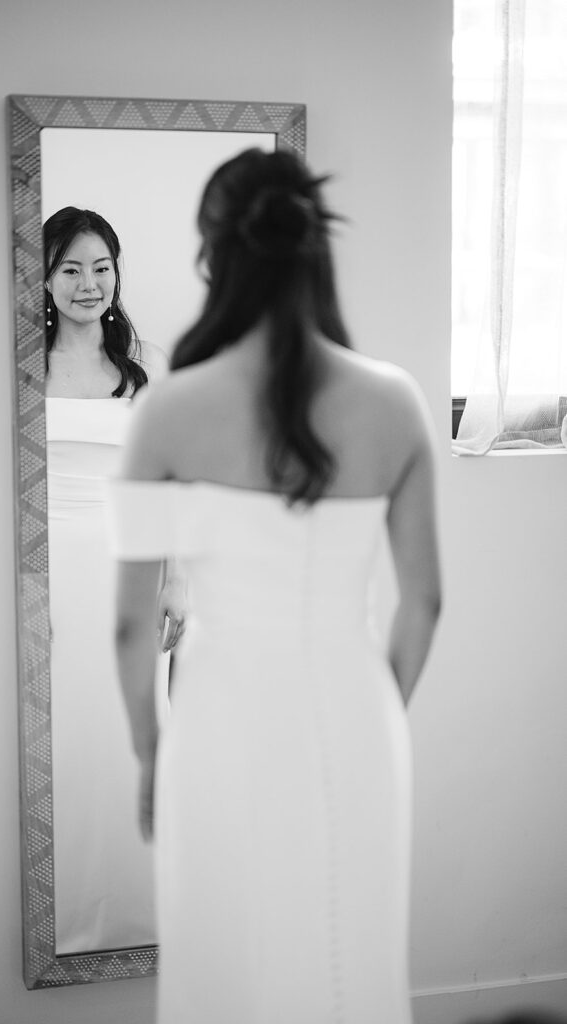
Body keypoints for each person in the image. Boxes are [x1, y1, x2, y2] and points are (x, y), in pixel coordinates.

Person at [112, 150, 442, 1023]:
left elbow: (128, 626)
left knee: (222, 960)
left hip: (217, 725)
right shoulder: (394, 401)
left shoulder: (169, 409)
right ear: (314, 250)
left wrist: (150, 750)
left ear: (214, 256)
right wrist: (375, 715)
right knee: (345, 958)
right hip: (353, 721)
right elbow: (424, 601)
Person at [43, 207, 185, 953]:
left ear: (117, 273)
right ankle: (62, 919)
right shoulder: (20, 364)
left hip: (132, 570)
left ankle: (141, 920)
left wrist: (179, 582)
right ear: (43, 277)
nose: (88, 283)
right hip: (49, 570)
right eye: (70, 268)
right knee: (63, 737)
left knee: (133, 733)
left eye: (101, 267)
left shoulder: (148, 364)